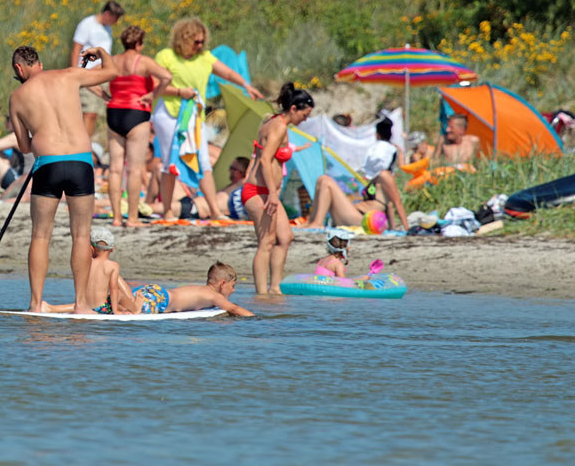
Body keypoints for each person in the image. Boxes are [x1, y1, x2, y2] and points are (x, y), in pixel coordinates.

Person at [9, 44, 117, 314]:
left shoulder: (18, 96)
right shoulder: (70, 75)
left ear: (19, 69)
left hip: (48, 165)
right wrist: (101, 52)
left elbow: (24, 147)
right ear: (41, 64)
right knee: (81, 236)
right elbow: (112, 71)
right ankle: (81, 304)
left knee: (41, 236)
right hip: (81, 163)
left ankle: (36, 304)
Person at [153, 17, 264, 222]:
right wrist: (179, 91)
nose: (201, 45)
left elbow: (228, 73)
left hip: (194, 114)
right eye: (196, 41)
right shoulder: (166, 56)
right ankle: (167, 210)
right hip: (169, 112)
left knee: (203, 160)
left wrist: (246, 85)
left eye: (203, 41)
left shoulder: (204, 57)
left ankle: (214, 210)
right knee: (170, 162)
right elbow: (155, 85)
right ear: (184, 39)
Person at [242, 83, 315, 295]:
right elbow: (264, 160)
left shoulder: (275, 123)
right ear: (294, 109)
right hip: (258, 191)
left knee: (285, 237)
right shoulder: (279, 126)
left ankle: (275, 289)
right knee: (266, 242)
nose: (305, 119)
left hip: (267, 192)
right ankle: (261, 294)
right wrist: (273, 195)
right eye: (305, 114)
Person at [105, 25, 171, 227]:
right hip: (137, 112)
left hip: (114, 112)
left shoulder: (113, 61)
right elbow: (167, 77)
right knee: (134, 170)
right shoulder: (144, 62)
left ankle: (116, 218)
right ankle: (132, 218)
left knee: (115, 169)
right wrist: (153, 94)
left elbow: (89, 80)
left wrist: (104, 96)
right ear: (139, 43)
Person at [300, 116, 410, 232]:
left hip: (362, 219)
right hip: (356, 214)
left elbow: (397, 204)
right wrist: (392, 228)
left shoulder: (385, 176)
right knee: (322, 180)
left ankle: (317, 223)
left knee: (326, 181)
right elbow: (389, 205)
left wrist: (407, 229)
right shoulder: (376, 178)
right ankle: (312, 222)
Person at [70, 0, 125, 139]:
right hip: (88, 73)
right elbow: (76, 49)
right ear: (107, 14)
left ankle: (87, 143)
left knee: (94, 113)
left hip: (101, 74)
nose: (116, 22)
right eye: (115, 18)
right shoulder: (87, 24)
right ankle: (83, 146)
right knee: (88, 112)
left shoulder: (107, 28)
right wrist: (75, 72)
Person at [133, 261, 254, 317]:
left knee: (118, 304)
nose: (233, 290)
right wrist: (255, 319)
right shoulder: (214, 296)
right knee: (133, 311)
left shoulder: (202, 290)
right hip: (160, 301)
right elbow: (234, 308)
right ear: (222, 283)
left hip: (155, 291)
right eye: (232, 286)